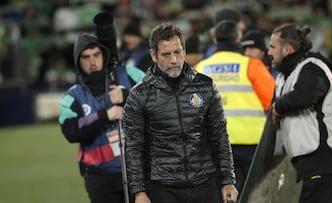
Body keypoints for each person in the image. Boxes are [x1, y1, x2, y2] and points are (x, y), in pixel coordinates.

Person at [123, 22, 238, 203]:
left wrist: (228, 180)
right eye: (166, 55)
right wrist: (138, 191)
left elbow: (219, 136)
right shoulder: (139, 95)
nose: (174, 60)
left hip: (204, 185)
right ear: (153, 55)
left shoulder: (205, 86)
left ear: (184, 50)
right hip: (162, 189)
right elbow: (133, 147)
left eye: (177, 52)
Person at [268, 23, 332, 203]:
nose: (269, 52)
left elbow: (303, 96)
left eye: (272, 47)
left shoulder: (313, 67)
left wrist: (277, 107)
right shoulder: (284, 76)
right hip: (312, 162)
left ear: (287, 49)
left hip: (323, 158)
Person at [58, 32, 144, 203]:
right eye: (86, 57)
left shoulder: (127, 73)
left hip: (139, 170)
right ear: (78, 60)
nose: (92, 61)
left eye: (96, 55)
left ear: (103, 54)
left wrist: (127, 95)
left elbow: (158, 93)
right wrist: (105, 115)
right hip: (100, 177)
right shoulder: (73, 96)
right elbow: (70, 131)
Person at [195, 20, 275, 194]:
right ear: (238, 38)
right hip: (251, 142)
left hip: (215, 144)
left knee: (224, 194)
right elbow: (272, 101)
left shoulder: (200, 68)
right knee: (255, 194)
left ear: (215, 40)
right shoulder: (252, 65)